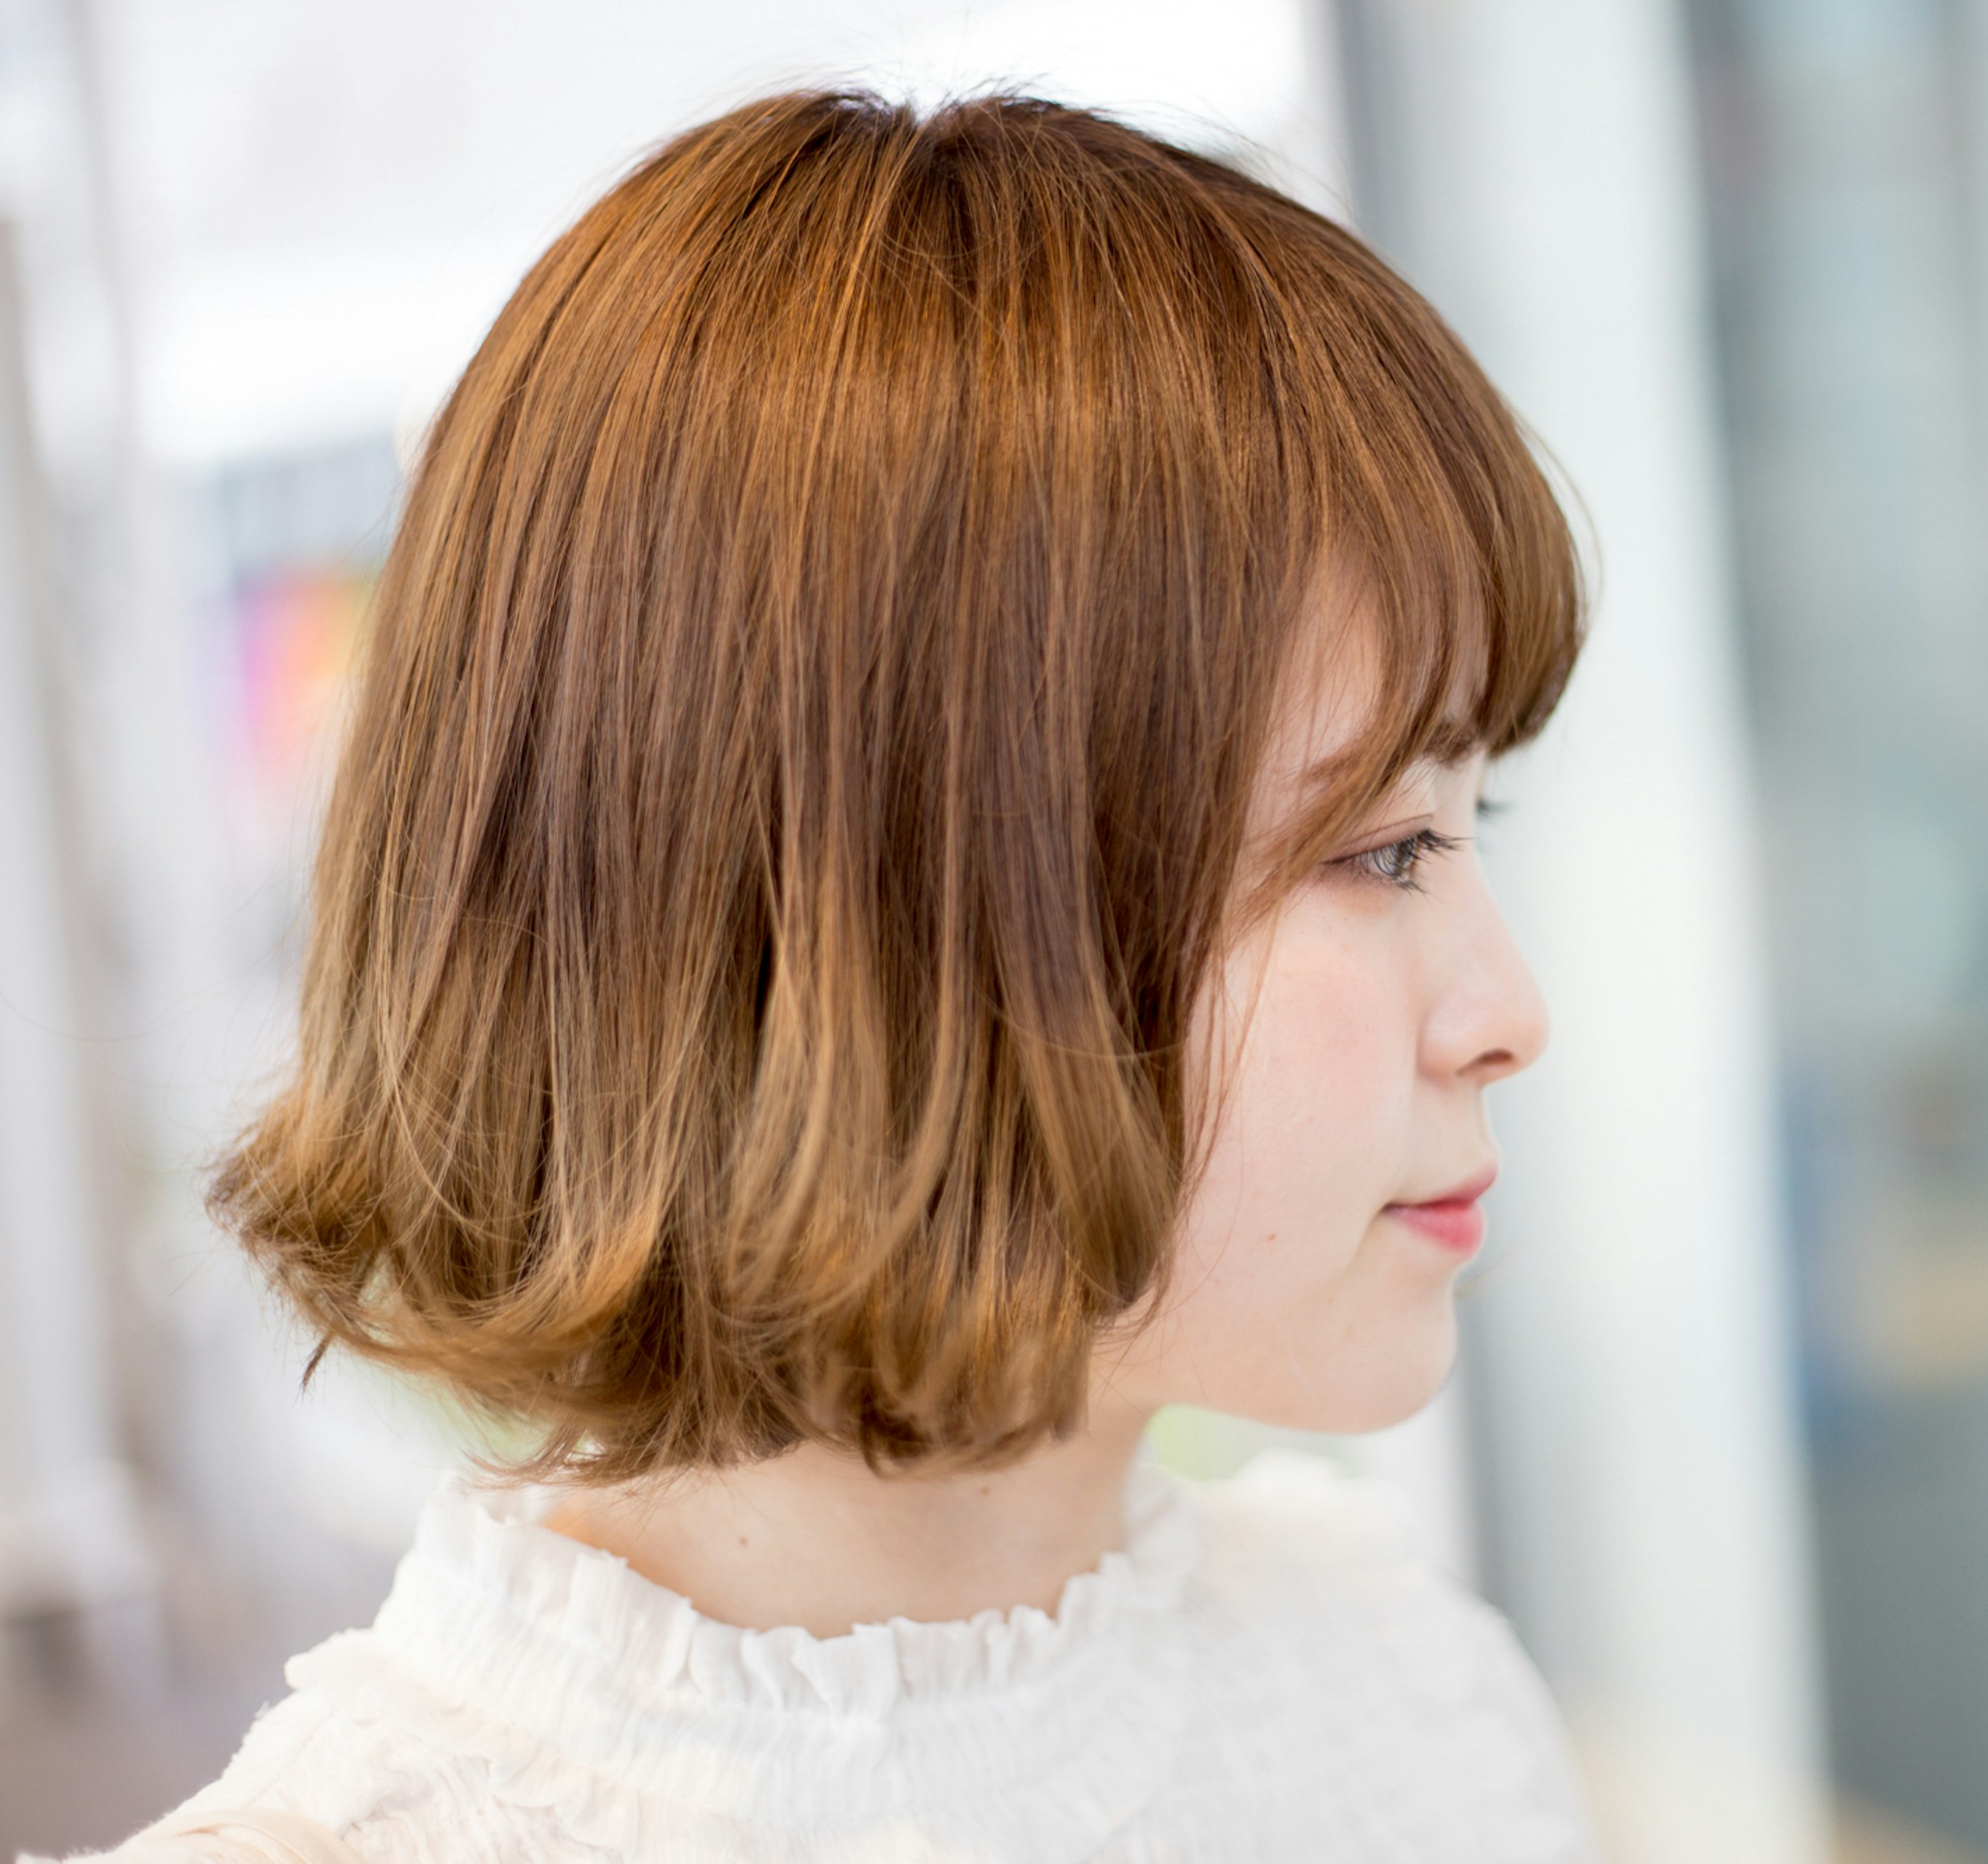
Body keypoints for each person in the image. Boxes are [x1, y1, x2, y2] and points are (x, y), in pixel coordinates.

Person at [57, 89, 1593, 1863]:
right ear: (896, 918)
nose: (1508, 1010)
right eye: (1378, 851)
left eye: (1473, 828)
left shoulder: (1400, 1692)